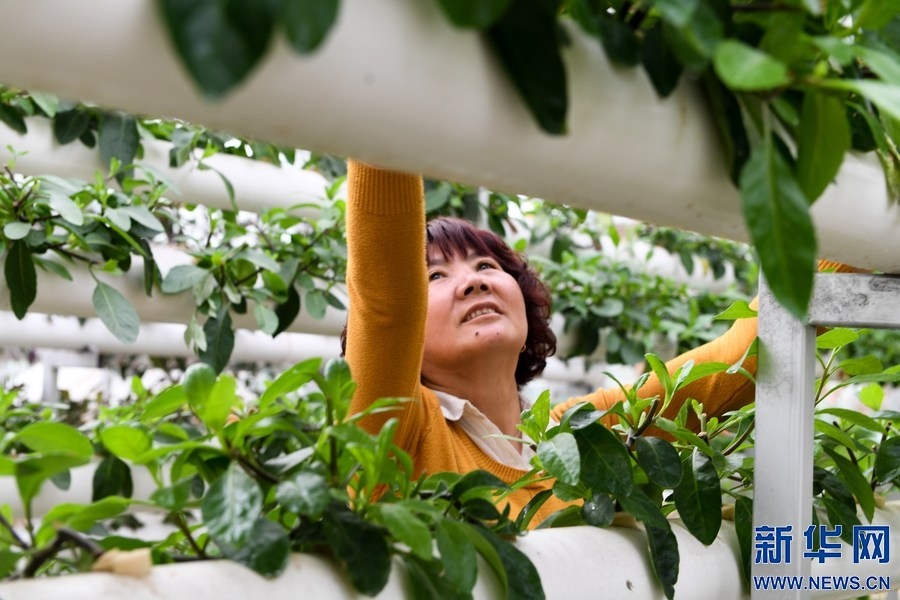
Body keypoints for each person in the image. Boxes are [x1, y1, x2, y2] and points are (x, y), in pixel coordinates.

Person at [343, 160, 854, 527]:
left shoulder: (581, 433)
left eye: (486, 266)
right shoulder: (399, 425)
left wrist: (861, 241)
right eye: (434, 276)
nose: (473, 281)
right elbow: (386, 299)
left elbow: (734, 362)